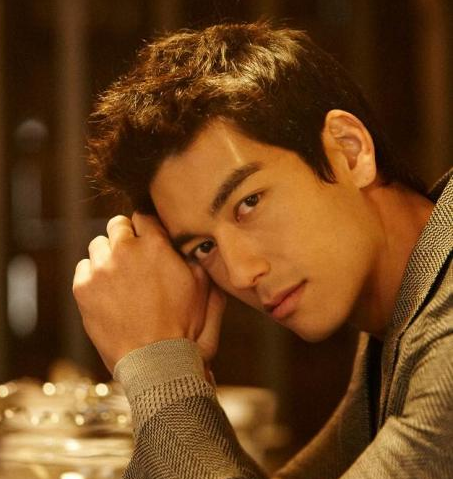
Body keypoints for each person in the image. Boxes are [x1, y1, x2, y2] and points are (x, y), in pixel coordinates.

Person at [72, 21, 453, 478]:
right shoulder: (402, 312)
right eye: (203, 246)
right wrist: (181, 376)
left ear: (349, 151)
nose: (240, 272)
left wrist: (157, 367)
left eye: (248, 203)